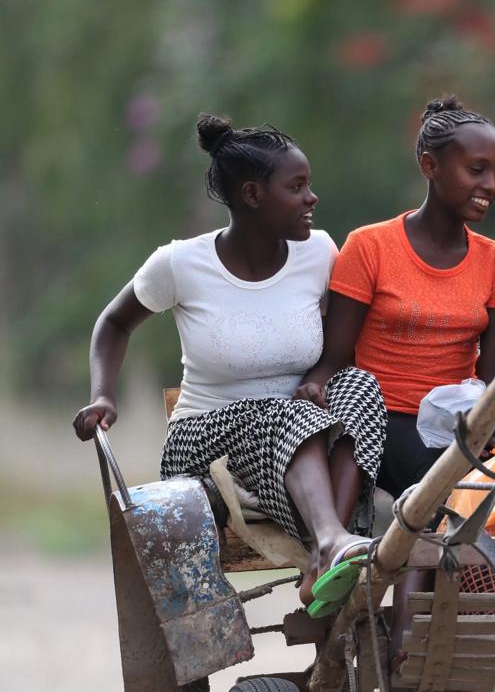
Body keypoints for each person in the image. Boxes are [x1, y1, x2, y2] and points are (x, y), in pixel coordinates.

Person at [72, 114, 387, 607]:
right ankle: (329, 542)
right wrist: (103, 394)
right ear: (252, 195)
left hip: (295, 429)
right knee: (292, 412)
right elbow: (113, 323)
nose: (312, 198)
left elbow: (344, 343)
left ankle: (327, 555)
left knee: (360, 386)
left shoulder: (320, 252)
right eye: (297, 186)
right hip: (205, 437)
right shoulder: (181, 264)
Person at [298, 94, 495, 665]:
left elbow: (488, 378)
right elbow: (338, 353)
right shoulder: (371, 247)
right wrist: (316, 385)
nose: (489, 185)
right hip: (379, 413)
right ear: (430, 166)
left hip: (453, 420)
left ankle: (456, 630)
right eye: (476, 170)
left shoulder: (493, 261)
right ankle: (406, 643)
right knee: (436, 481)